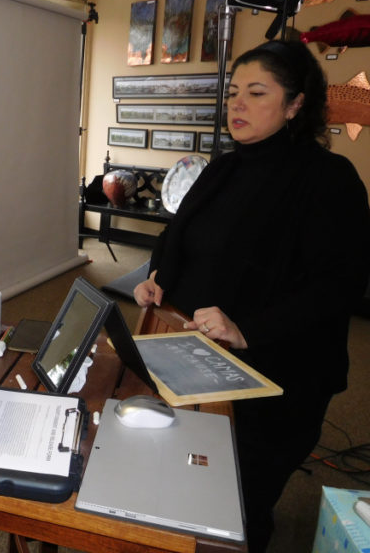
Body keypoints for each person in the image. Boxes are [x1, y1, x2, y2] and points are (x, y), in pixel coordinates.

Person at [134, 39, 370, 552]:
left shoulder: (330, 180)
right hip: (200, 360)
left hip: (280, 374)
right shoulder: (223, 167)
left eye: (256, 92)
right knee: (189, 479)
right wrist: (157, 275)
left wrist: (247, 330)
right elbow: (176, 236)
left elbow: (339, 286)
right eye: (233, 92)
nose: (236, 103)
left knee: (237, 508)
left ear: (295, 104)